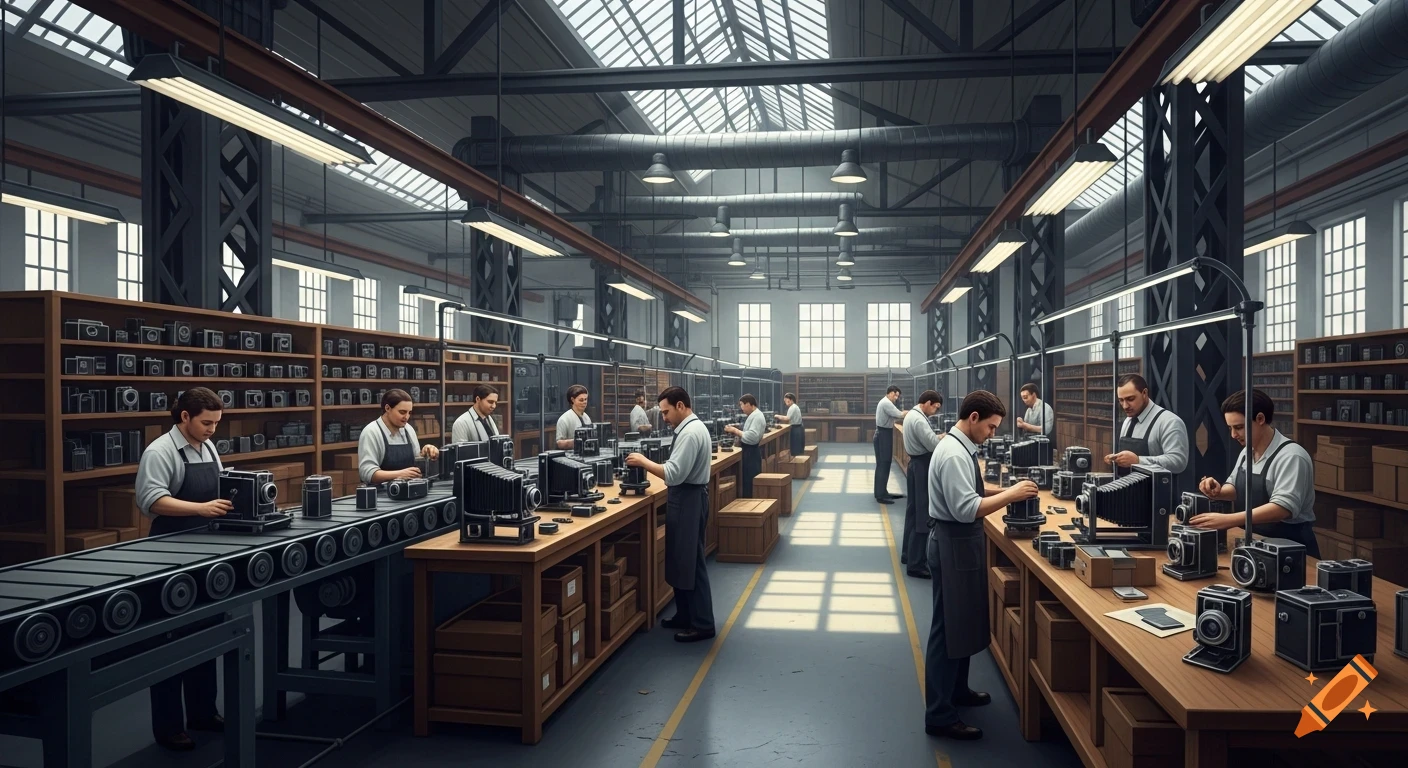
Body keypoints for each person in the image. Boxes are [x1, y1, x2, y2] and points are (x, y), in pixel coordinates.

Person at [925, 390, 1039, 741]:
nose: (992, 433)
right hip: (952, 542)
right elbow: (965, 509)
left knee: (961, 622)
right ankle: (940, 715)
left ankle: (957, 692)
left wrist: (998, 489)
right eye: (990, 427)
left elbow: (969, 492)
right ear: (973, 418)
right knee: (947, 629)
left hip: (958, 542)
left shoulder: (959, 448)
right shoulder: (955, 455)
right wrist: (1011, 495)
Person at [134, 387, 231, 750]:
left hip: (206, 552)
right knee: (169, 641)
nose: (212, 430)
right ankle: (170, 726)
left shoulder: (207, 446)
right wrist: (200, 508)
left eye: (217, 424)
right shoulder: (159, 451)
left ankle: (204, 712)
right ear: (185, 417)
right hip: (170, 553)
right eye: (206, 423)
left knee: (207, 633)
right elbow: (151, 500)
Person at [626, 386, 715, 643]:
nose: (663, 417)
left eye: (666, 412)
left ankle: (703, 623)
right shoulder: (689, 429)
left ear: (680, 406)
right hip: (684, 498)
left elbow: (674, 473)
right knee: (680, 559)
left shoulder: (690, 433)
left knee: (692, 562)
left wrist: (643, 462)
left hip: (689, 498)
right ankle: (685, 615)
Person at [1193, 389, 1319, 558]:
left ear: (1260, 419)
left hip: (1290, 549)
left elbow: (1282, 508)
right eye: (1230, 428)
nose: (1233, 435)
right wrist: (1218, 491)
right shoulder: (1247, 452)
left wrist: (1229, 520)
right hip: (1257, 545)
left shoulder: (1291, 456)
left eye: (1238, 427)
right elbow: (1237, 487)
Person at [1105, 374, 1189, 477]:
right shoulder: (1127, 421)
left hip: (1158, 491)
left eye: (1130, 399)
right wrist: (1116, 459)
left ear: (1144, 393)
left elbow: (1178, 462)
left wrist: (1139, 461)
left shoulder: (1169, 422)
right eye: (1121, 400)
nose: (1125, 406)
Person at [902, 390, 945, 579]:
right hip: (921, 466)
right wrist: (943, 439)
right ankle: (916, 564)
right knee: (922, 515)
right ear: (928, 402)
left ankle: (908, 554)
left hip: (916, 465)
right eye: (935, 407)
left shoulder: (913, 414)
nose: (935, 412)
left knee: (913, 513)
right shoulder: (919, 419)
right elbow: (933, 445)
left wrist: (938, 437)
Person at [359, 389, 439, 485]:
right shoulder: (372, 432)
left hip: (409, 490)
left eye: (409, 412)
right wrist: (399, 474)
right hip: (381, 495)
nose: (407, 417)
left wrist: (427, 453)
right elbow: (367, 473)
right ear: (387, 408)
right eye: (402, 412)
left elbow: (417, 462)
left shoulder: (408, 430)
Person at [725, 394, 765, 497]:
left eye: (742, 405)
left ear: (748, 404)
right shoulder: (754, 415)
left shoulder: (757, 416)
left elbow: (752, 437)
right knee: (747, 481)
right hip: (750, 452)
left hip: (751, 453)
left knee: (750, 481)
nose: (741, 408)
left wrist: (735, 430)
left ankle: (750, 505)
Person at [874, 385, 906, 503]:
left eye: (897, 396)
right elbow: (899, 415)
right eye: (895, 395)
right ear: (890, 393)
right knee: (883, 464)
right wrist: (912, 412)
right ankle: (880, 495)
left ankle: (883, 492)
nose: (896, 398)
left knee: (885, 464)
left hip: (884, 433)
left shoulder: (886, 402)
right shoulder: (886, 403)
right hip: (883, 434)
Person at [555, 384, 592, 449]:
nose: (584, 402)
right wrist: (577, 442)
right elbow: (559, 443)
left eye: (585, 399)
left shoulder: (587, 417)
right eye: (581, 400)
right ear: (572, 400)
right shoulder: (564, 419)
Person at [774, 391, 805, 457]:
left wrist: (777, 416)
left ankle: (796, 463)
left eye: (786, 401)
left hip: (796, 429)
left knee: (795, 449)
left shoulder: (793, 407)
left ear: (791, 400)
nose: (785, 403)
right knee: (796, 448)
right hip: (797, 428)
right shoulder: (794, 407)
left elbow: (787, 418)